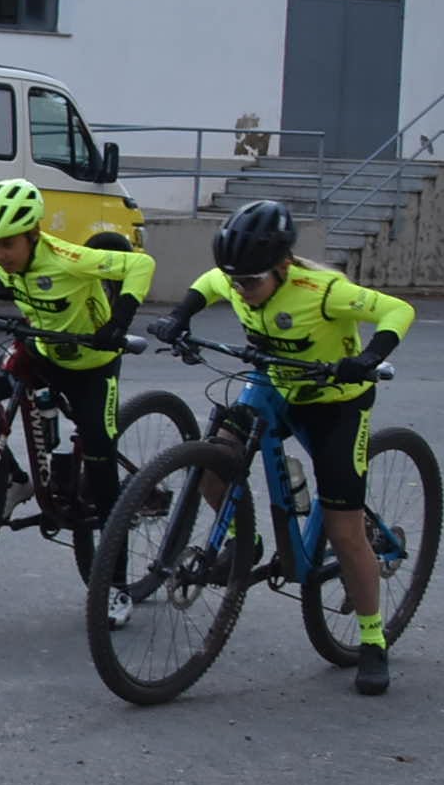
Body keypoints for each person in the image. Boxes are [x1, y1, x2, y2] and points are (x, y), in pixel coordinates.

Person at [149, 198, 416, 696]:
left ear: (283, 266)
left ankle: (372, 637)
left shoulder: (325, 292)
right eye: (238, 282)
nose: (242, 293)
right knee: (214, 460)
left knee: (343, 528)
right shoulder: (237, 277)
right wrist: (180, 316)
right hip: (273, 387)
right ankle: (244, 545)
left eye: (251, 283)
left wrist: (370, 355)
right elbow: (209, 284)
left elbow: (396, 309)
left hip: (336, 401)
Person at [0, 178, 153, 539]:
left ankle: (114, 583)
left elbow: (140, 265)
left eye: (8, 244)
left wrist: (118, 322)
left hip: (92, 365)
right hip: (41, 350)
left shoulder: (68, 260)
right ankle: (14, 480)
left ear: (34, 233)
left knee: (100, 452)